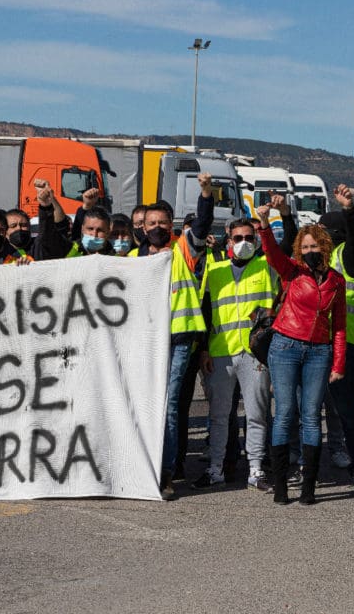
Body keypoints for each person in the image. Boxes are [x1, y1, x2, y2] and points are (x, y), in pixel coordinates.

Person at [138, 176, 214, 500]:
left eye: (163, 222)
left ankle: (166, 474)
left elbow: (203, 223)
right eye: (151, 223)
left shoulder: (184, 249)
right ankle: (144, 468)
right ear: (143, 228)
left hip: (179, 338)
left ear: (172, 226)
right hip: (144, 341)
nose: (157, 227)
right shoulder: (133, 259)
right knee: (145, 404)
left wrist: (206, 193)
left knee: (169, 404)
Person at [261, 220, 346, 505]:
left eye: (315, 246)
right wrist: (264, 225)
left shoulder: (337, 280)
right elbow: (272, 253)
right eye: (305, 247)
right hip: (285, 345)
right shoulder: (292, 272)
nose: (310, 251)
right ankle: (280, 486)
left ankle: (308, 488)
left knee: (311, 416)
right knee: (285, 413)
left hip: (319, 352)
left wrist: (339, 364)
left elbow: (339, 325)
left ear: (325, 247)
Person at [194, 217, 278, 493]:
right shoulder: (214, 270)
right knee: (219, 416)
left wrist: (268, 222)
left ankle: (256, 469)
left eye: (249, 238)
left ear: (256, 240)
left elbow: (283, 248)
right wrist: (204, 349)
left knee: (257, 414)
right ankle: (215, 468)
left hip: (255, 353)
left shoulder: (267, 267)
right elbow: (205, 311)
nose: (244, 242)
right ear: (228, 241)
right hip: (221, 351)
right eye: (238, 238)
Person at [315, 184, 354, 494]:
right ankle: (306, 465)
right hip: (310, 346)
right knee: (305, 410)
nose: (318, 236)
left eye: (324, 231)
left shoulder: (347, 257)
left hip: (340, 346)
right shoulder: (312, 258)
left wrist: (349, 210)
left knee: (345, 411)